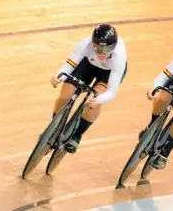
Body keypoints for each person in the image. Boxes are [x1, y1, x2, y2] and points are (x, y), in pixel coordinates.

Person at [50, 24, 128, 153]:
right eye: (98, 47)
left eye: (107, 48)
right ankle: (54, 127)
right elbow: (70, 64)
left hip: (107, 74)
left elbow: (111, 92)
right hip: (88, 65)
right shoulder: (85, 44)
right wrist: (59, 76)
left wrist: (100, 99)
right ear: (93, 43)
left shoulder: (119, 56)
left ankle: (77, 135)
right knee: (65, 95)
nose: (102, 52)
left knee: (94, 103)